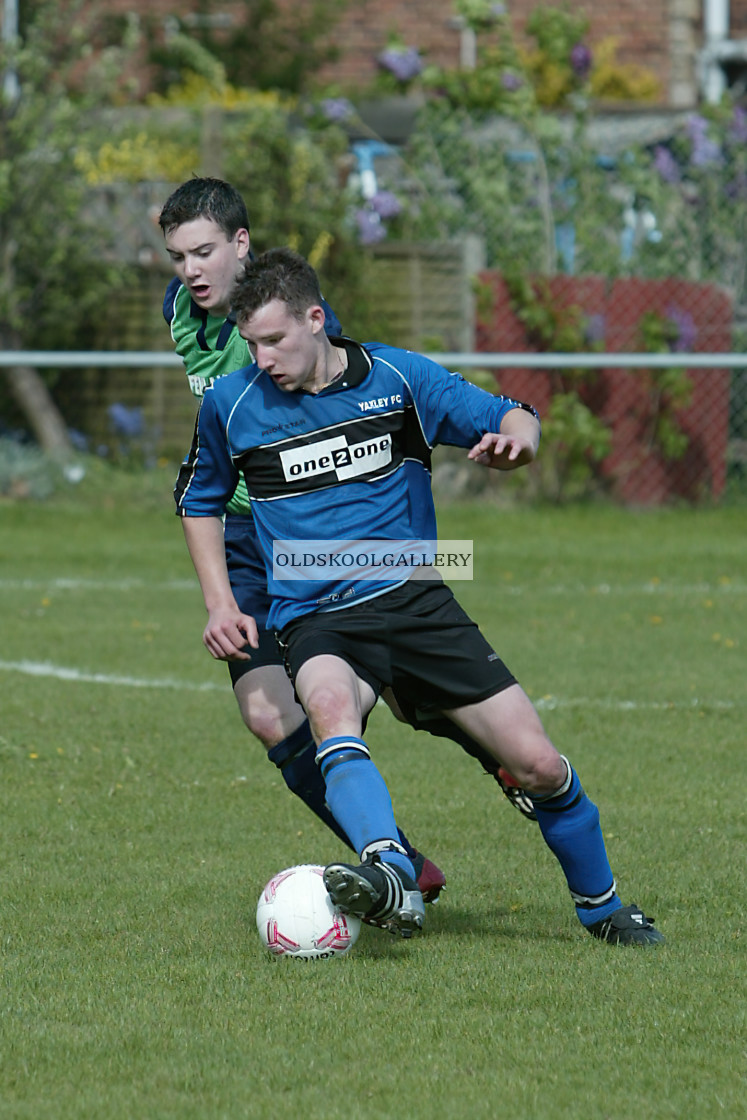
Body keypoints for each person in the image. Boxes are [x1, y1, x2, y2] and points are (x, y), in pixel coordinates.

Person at [175, 247, 665, 948]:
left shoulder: (399, 377)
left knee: (538, 764)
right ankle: (388, 870)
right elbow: (199, 501)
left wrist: (517, 444)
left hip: (417, 607)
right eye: (250, 343)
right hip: (316, 618)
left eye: (275, 339)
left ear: (316, 320)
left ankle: (602, 908)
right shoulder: (234, 405)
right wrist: (220, 603)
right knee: (328, 705)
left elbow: (511, 412)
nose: (261, 359)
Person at [158, 178, 451, 903]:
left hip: (314, 533)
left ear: (240, 244)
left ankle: (503, 755)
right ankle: (393, 861)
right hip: (240, 536)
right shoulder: (180, 315)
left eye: (202, 252)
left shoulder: (298, 328)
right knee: (267, 714)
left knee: (396, 698)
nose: (190, 271)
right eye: (176, 257)